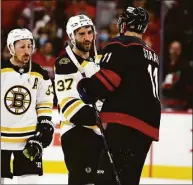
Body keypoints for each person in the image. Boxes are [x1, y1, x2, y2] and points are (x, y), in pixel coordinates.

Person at [77, 7, 161, 185]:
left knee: (106, 178)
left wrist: (86, 87)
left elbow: (108, 80)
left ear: (125, 24)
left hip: (125, 121)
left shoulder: (120, 44)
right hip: (148, 125)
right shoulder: (152, 53)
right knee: (129, 178)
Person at [1, 28, 54, 184]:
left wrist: (44, 122)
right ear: (11, 48)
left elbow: (44, 101)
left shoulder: (40, 73)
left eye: (30, 46)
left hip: (28, 138)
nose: (27, 51)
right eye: (22, 47)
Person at [54, 14, 103, 185]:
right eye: (81, 34)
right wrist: (105, 120)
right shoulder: (65, 64)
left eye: (90, 32)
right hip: (76, 132)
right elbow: (71, 109)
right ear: (71, 36)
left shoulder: (98, 61)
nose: (87, 38)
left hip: (97, 131)